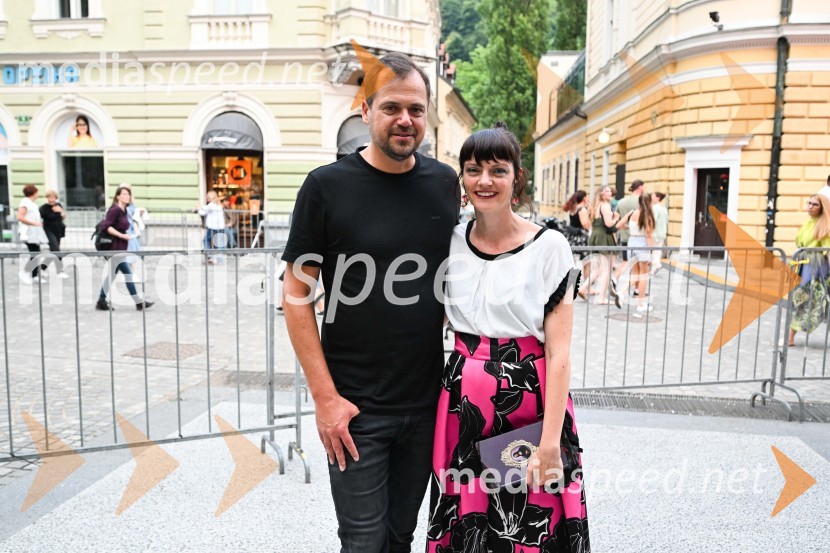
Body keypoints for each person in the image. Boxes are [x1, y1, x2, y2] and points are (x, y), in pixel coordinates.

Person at [281, 52, 458, 552]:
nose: (406, 120)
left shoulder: (444, 184)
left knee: (401, 537)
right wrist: (326, 400)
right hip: (354, 409)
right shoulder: (327, 186)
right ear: (366, 110)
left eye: (417, 109)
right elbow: (295, 298)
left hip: (426, 404)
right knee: (362, 542)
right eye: (392, 107)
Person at [429, 123, 589, 552]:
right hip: (463, 401)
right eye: (473, 169)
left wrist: (551, 443)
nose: (484, 180)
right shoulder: (451, 243)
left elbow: (559, 354)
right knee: (471, 520)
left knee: (526, 524)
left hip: (528, 401)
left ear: (516, 177)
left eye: (497, 170)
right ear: (462, 179)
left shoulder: (549, 247)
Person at [96, 186, 154, 311]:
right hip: (114, 248)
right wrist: (121, 235)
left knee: (112, 275)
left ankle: (101, 300)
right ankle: (138, 303)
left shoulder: (124, 210)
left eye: (128, 194)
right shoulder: (115, 210)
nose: (126, 196)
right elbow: (107, 226)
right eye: (124, 194)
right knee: (128, 274)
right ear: (118, 196)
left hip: (120, 247)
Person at [788, 194, 830, 346]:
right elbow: (800, 242)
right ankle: (790, 337)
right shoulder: (807, 222)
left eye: (815, 204)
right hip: (804, 265)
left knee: (807, 300)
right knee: (801, 300)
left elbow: (828, 249)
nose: (810, 206)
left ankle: (790, 337)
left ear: (822, 207)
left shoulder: (825, 225)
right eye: (809, 203)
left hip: (817, 269)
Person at [616, 193, 655, 312]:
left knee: (635, 275)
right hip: (642, 244)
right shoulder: (648, 216)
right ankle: (641, 304)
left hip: (631, 242)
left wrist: (631, 228)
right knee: (643, 276)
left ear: (638, 202)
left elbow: (618, 225)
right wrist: (651, 252)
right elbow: (649, 236)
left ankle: (621, 292)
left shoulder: (632, 212)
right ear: (650, 202)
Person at [587, 185, 620, 307]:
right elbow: (609, 223)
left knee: (600, 268)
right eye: (607, 191)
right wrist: (616, 218)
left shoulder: (596, 205)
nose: (610, 192)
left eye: (610, 191)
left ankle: (583, 288)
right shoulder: (605, 206)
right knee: (606, 269)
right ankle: (601, 297)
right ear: (601, 193)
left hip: (596, 236)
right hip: (604, 237)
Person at [613, 180, 644, 285]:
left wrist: (625, 227)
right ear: (640, 187)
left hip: (625, 237)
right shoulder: (642, 202)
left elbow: (616, 218)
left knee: (631, 263)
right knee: (636, 265)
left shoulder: (621, 202)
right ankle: (615, 278)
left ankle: (636, 289)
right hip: (639, 238)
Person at [17, 185, 49, 283]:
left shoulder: (31, 203)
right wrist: (35, 223)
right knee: (34, 253)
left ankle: (35, 275)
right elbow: (20, 217)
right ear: (33, 192)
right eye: (37, 192)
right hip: (28, 232)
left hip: (34, 232)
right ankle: (25, 272)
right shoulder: (25, 202)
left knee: (36, 253)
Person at [198, 191, 226, 264]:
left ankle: (211, 256)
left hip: (212, 227)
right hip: (220, 227)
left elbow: (202, 212)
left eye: (208, 196)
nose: (206, 198)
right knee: (219, 242)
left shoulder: (211, 205)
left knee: (206, 240)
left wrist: (198, 207)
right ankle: (219, 259)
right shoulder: (219, 204)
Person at [650, 192, 668, 275]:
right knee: (657, 252)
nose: (651, 197)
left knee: (654, 251)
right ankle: (653, 270)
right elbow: (666, 221)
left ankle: (657, 264)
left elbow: (653, 221)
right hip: (662, 233)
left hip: (655, 233)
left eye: (653, 196)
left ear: (658, 197)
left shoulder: (655, 208)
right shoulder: (664, 208)